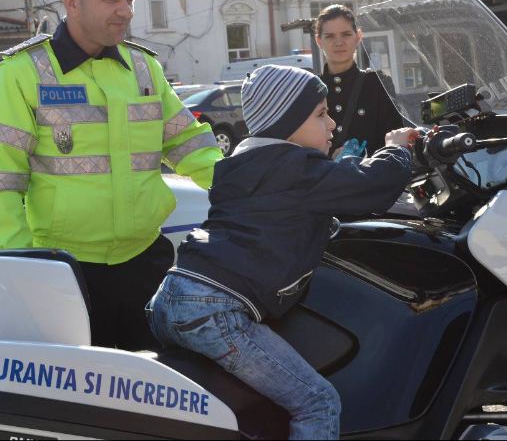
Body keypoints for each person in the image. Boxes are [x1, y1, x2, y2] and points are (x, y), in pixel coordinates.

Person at [146, 65, 419, 440]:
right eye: (321, 114)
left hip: (172, 299)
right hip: (217, 311)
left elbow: (289, 205)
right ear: (286, 124)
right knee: (318, 402)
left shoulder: (240, 167)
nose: (332, 124)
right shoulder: (297, 169)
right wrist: (397, 150)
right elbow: (372, 184)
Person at [0, 0, 222, 350]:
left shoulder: (143, 67)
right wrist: (25, 270)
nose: (125, 11)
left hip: (146, 262)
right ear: (72, 1)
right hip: (67, 273)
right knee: (88, 386)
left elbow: (187, 144)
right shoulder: (22, 73)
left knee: (158, 380)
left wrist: (245, 188)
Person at [315, 4, 406, 158]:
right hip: (327, 173)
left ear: (358, 36)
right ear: (319, 41)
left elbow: (393, 139)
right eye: (330, 36)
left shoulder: (377, 84)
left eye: (346, 34)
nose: (338, 42)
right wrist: (330, 160)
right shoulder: (311, 88)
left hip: (372, 171)